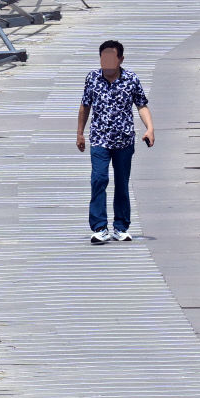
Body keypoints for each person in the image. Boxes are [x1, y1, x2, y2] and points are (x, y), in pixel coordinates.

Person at [76, 39, 154, 245]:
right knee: (98, 180)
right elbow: (85, 106)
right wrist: (80, 133)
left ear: (120, 59)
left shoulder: (131, 79)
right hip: (100, 139)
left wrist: (150, 128)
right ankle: (99, 227)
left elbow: (141, 105)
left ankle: (121, 227)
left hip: (124, 140)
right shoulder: (92, 79)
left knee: (122, 183)